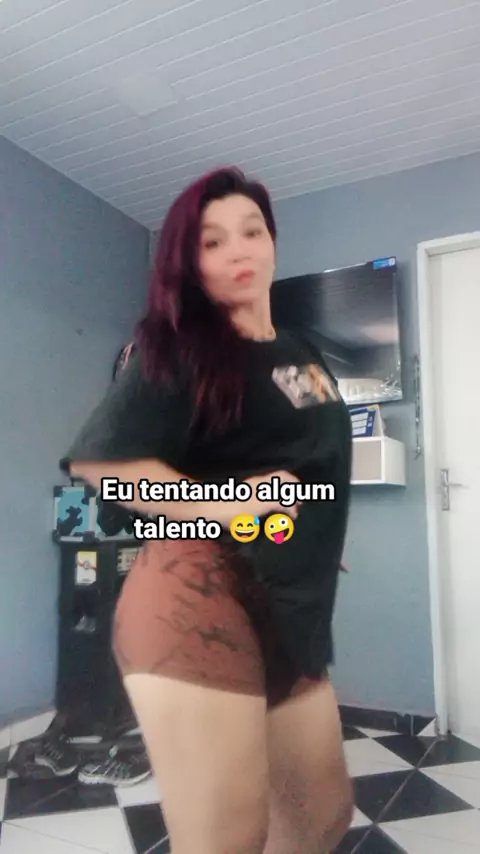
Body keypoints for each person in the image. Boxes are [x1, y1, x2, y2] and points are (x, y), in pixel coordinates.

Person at [60, 166, 354, 854]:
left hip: (286, 602)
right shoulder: (177, 347)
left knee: (322, 816)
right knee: (227, 840)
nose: (239, 251)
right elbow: (107, 467)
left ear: (273, 241)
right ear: (189, 264)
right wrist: (231, 504)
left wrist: (307, 534)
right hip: (197, 593)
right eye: (213, 242)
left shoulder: (302, 352)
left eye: (252, 232)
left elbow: (295, 465)